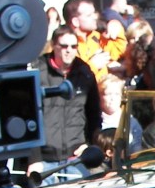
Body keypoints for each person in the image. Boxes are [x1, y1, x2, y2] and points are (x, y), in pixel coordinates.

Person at [28, 26, 101, 180]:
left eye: (74, 46)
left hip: (76, 156)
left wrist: (88, 145)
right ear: (54, 46)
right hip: (44, 160)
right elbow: (28, 117)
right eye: (64, 46)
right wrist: (33, 158)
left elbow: (94, 114)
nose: (69, 51)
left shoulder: (85, 72)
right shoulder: (37, 71)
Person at [62, 0, 127, 84]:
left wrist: (116, 25)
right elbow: (66, 79)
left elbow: (118, 51)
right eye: (89, 15)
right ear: (75, 22)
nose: (95, 17)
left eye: (94, 13)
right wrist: (92, 66)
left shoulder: (95, 37)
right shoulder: (64, 44)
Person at [99, 74, 142, 153]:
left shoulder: (131, 121)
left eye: (116, 94)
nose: (113, 98)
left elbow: (137, 149)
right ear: (99, 96)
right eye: (108, 94)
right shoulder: (92, 121)